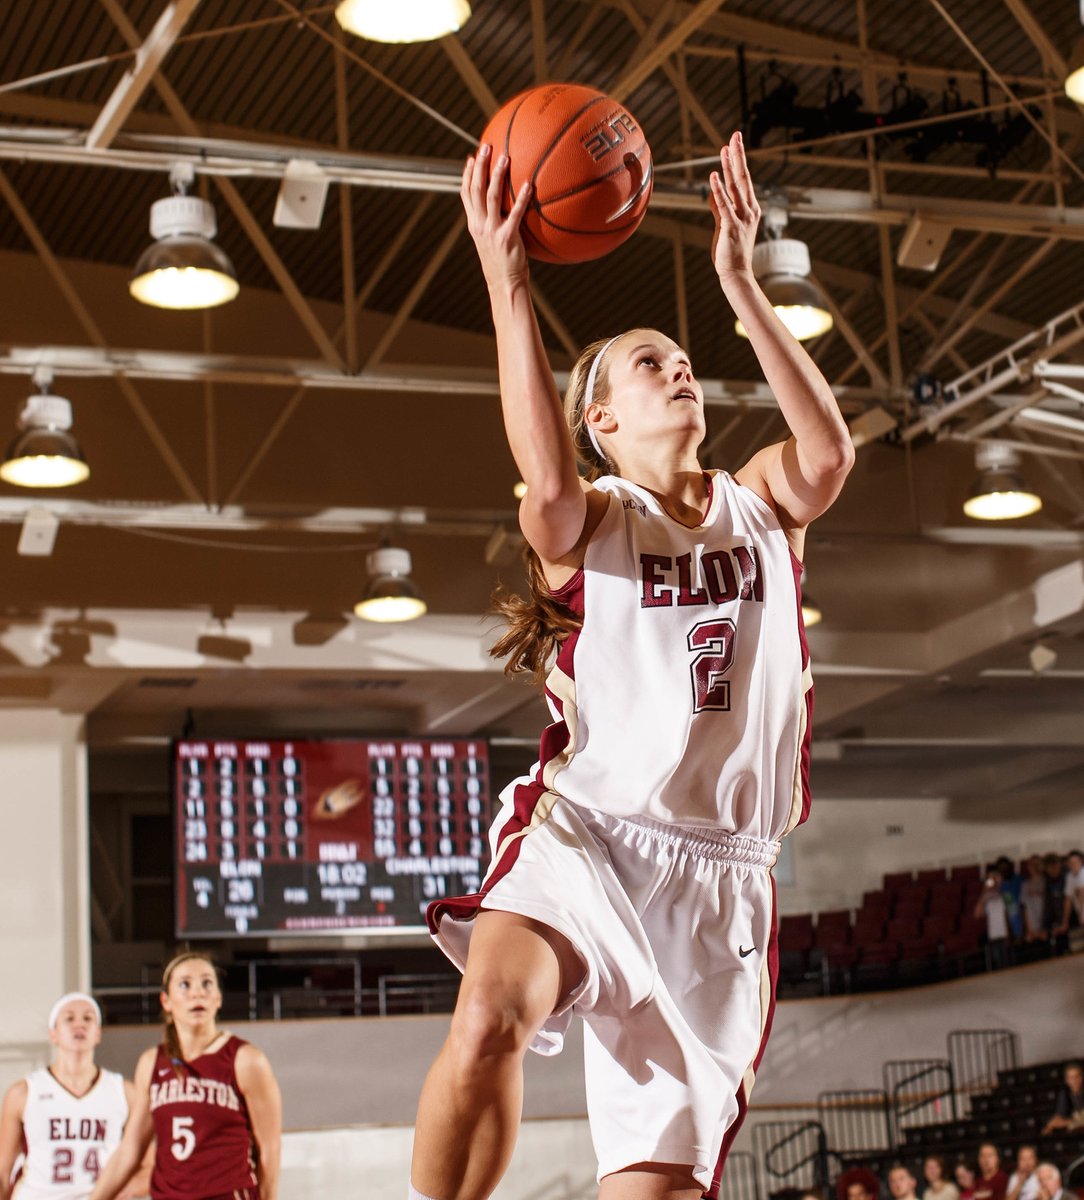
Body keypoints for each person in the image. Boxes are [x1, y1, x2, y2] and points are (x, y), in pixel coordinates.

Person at [410, 130, 854, 1200]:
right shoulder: (589, 519)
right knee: (486, 1019)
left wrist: (740, 284)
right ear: (600, 420)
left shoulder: (761, 502)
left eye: (683, 357)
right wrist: (507, 287)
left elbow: (831, 453)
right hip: (593, 832)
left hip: (722, 881)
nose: (679, 368)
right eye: (647, 363)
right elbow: (543, 474)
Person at [88, 952, 281, 1200]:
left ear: (218, 999)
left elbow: (269, 1149)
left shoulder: (246, 1060)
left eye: (206, 983)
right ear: (166, 1001)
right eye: (184, 984)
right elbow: (131, 1150)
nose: (197, 992)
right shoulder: (152, 1063)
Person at [0, 993, 150, 1200]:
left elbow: (151, 1165)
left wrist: (119, 1191)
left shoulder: (124, 1091)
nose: (79, 1025)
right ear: (53, 1034)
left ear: (98, 1034)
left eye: (88, 1018)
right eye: (69, 1018)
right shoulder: (23, 1092)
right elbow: (3, 1170)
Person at [974, 869, 1011, 970]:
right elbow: (977, 914)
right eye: (991, 879)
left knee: (1007, 963)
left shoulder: (1004, 894)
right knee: (998, 964)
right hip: (993, 936)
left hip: (1004, 934)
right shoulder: (986, 897)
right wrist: (984, 890)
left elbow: (1010, 911)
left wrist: (999, 885)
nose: (993, 881)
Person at [1042, 1060, 1084, 1134]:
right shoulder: (1065, 1094)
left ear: (1082, 1077)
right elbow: (1058, 1117)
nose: (1074, 1081)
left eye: (1077, 1077)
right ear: (1067, 1080)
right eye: (1071, 1078)